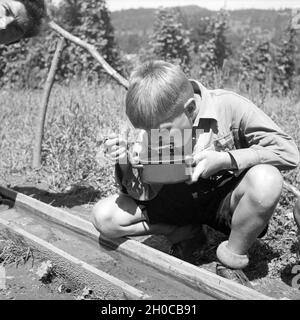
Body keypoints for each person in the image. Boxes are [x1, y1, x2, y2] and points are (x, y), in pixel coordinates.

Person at [92, 60, 299, 286]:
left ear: (190, 109)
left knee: (266, 180)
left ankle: (231, 258)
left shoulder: (229, 107)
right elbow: (141, 192)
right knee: (105, 217)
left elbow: (288, 153)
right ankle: (185, 233)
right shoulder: (157, 119)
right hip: (175, 198)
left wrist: (225, 160)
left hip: (222, 202)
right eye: (146, 132)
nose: (154, 138)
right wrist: (124, 161)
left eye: (162, 132)